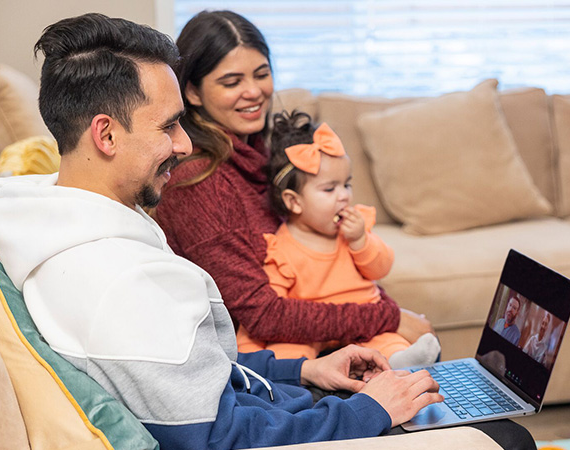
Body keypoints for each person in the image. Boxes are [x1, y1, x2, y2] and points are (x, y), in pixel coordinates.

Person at [0, 13, 446, 449]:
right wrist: (366, 413)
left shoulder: (77, 223)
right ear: (106, 135)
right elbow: (220, 436)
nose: (183, 144)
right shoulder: (122, 281)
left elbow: (197, 378)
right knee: (497, 433)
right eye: (169, 126)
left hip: (271, 401)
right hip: (275, 431)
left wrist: (304, 369)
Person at [154, 10, 433, 352]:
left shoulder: (261, 153)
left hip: (310, 333)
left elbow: (333, 254)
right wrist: (387, 317)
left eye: (262, 74)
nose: (254, 91)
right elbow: (262, 314)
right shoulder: (198, 182)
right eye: (232, 82)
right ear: (193, 93)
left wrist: (380, 307)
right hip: (261, 358)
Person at [235, 111, 441, 369]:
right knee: (286, 351)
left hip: (364, 322)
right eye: (330, 189)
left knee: (388, 340)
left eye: (347, 184)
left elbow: (381, 267)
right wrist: (247, 354)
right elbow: (267, 314)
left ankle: (399, 362)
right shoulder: (281, 248)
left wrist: (360, 242)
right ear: (294, 201)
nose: (344, 196)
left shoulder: (354, 230)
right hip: (309, 331)